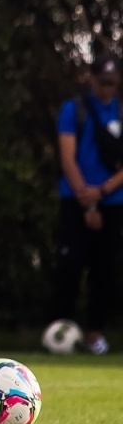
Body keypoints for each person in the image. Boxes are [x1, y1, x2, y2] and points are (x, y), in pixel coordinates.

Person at [51, 54, 123, 354]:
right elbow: (67, 158)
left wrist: (103, 192)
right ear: (91, 79)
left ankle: (95, 332)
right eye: (102, 82)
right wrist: (88, 202)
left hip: (113, 201)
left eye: (112, 83)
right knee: (70, 266)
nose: (107, 88)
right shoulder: (74, 109)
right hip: (76, 198)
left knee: (104, 269)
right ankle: (60, 331)